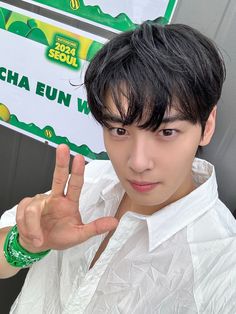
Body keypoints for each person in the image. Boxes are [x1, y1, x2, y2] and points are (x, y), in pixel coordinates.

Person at [0, 21, 236, 313]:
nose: (137, 162)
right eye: (119, 131)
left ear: (207, 126)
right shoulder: (90, 182)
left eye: (166, 132)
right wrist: (23, 246)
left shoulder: (224, 269)